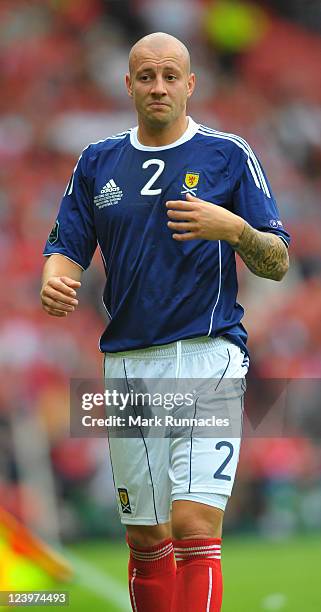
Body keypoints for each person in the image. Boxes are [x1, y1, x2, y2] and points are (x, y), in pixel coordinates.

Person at [41, 32, 290, 612]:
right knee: (147, 539)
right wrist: (55, 277)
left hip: (207, 356)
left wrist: (234, 229)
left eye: (170, 76)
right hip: (127, 366)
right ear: (128, 84)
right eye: (146, 76)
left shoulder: (228, 155)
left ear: (190, 84)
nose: (158, 86)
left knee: (194, 523)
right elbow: (65, 245)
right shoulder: (98, 161)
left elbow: (277, 260)